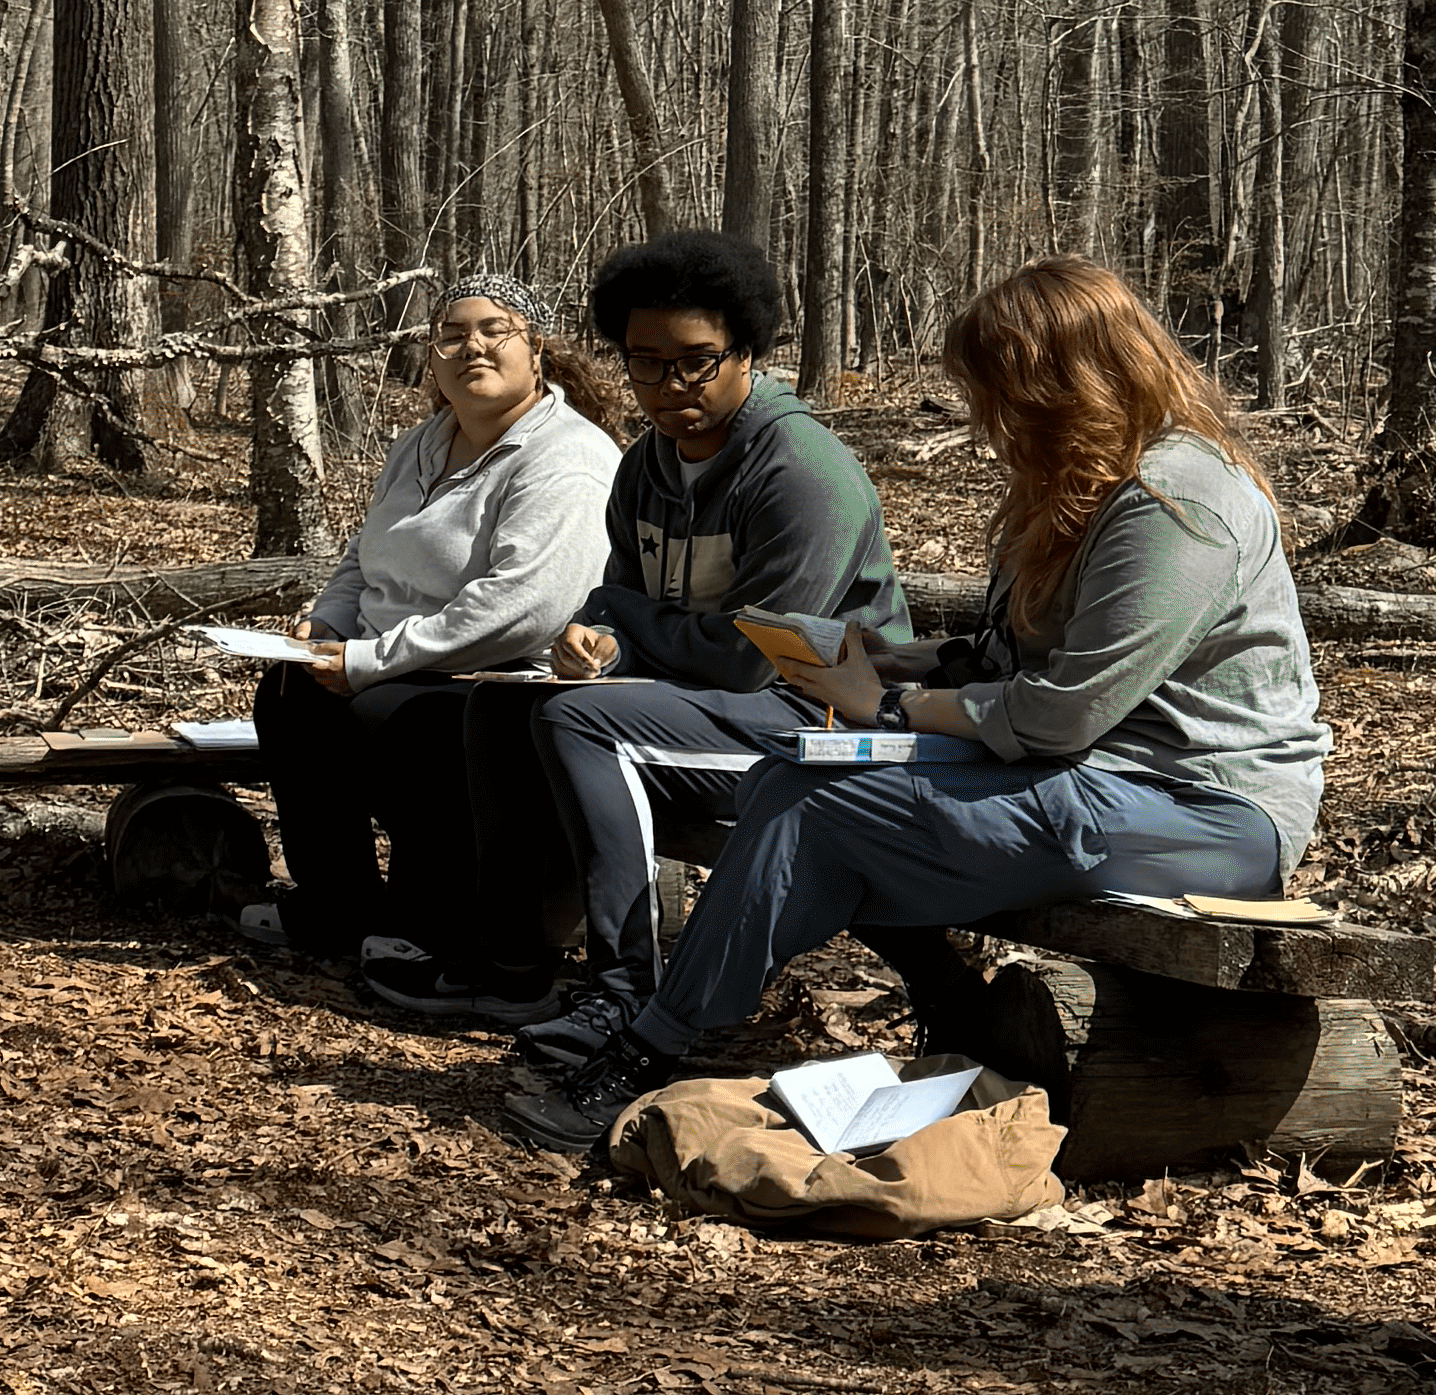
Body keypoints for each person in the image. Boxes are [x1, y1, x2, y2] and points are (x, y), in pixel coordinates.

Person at [504, 254, 1330, 1155]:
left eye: (1007, 396)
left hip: (1203, 810)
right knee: (798, 774)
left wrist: (888, 708)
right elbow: (1004, 654)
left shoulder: (1179, 501)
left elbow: (1063, 711)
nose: (990, 425)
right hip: (1081, 777)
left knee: (834, 801)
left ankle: (651, 1048)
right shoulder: (1075, 484)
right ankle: (918, 1014)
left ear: (1076, 380)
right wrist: (881, 658)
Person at [462, 225, 897, 1031]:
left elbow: (746, 662)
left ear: (745, 352)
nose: (669, 384)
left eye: (695, 359)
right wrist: (598, 640)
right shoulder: (647, 465)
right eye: (645, 362)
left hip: (824, 724)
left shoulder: (802, 472)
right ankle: (509, 969)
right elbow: (622, 604)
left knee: (583, 723)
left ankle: (628, 990)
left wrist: (622, 617)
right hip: (703, 712)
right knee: (499, 710)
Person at [238, 275, 623, 1008]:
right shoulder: (422, 443)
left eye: (493, 330)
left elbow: (524, 607)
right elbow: (363, 556)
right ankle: (338, 905)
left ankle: (433, 923)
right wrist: (329, 624)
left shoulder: (567, 457)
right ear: (433, 360)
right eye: (452, 334)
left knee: (395, 722)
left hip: (499, 678)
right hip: (391, 659)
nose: (471, 345)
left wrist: (368, 663)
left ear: (536, 347)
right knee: (288, 696)